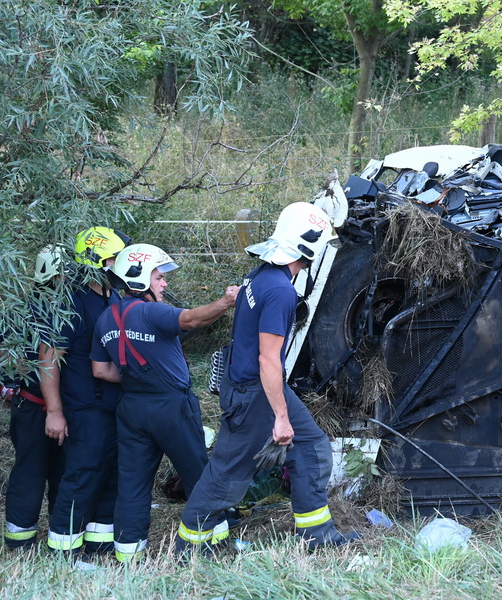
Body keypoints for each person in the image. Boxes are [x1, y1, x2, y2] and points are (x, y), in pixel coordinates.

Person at [177, 202, 359, 554]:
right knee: (227, 472)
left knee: (312, 446)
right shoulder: (280, 291)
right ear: (312, 247)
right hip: (254, 391)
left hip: (253, 384)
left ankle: (316, 534)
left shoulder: (260, 274)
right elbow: (268, 359)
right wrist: (279, 417)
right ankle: (190, 546)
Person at [90, 243, 239, 562]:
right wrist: (226, 302)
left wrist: (138, 378)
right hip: (172, 407)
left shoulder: (105, 319)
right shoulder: (149, 311)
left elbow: (100, 370)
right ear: (141, 278)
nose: (165, 283)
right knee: (200, 476)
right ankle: (211, 546)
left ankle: (128, 555)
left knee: (132, 484)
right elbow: (192, 320)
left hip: (131, 409)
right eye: (159, 276)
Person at [44, 227, 131, 555]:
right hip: (85, 408)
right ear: (97, 260)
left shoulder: (112, 295)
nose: (121, 263)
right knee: (81, 477)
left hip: (113, 406)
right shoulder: (71, 300)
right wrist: (54, 412)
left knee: (110, 477)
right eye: (115, 257)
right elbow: (48, 357)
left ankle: (99, 548)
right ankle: (62, 554)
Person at [0, 245, 67, 549]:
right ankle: (20, 543)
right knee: (31, 472)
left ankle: (60, 536)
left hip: (59, 407)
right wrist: (13, 359)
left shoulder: (67, 307)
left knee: (63, 472)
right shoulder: (23, 308)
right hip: (33, 406)